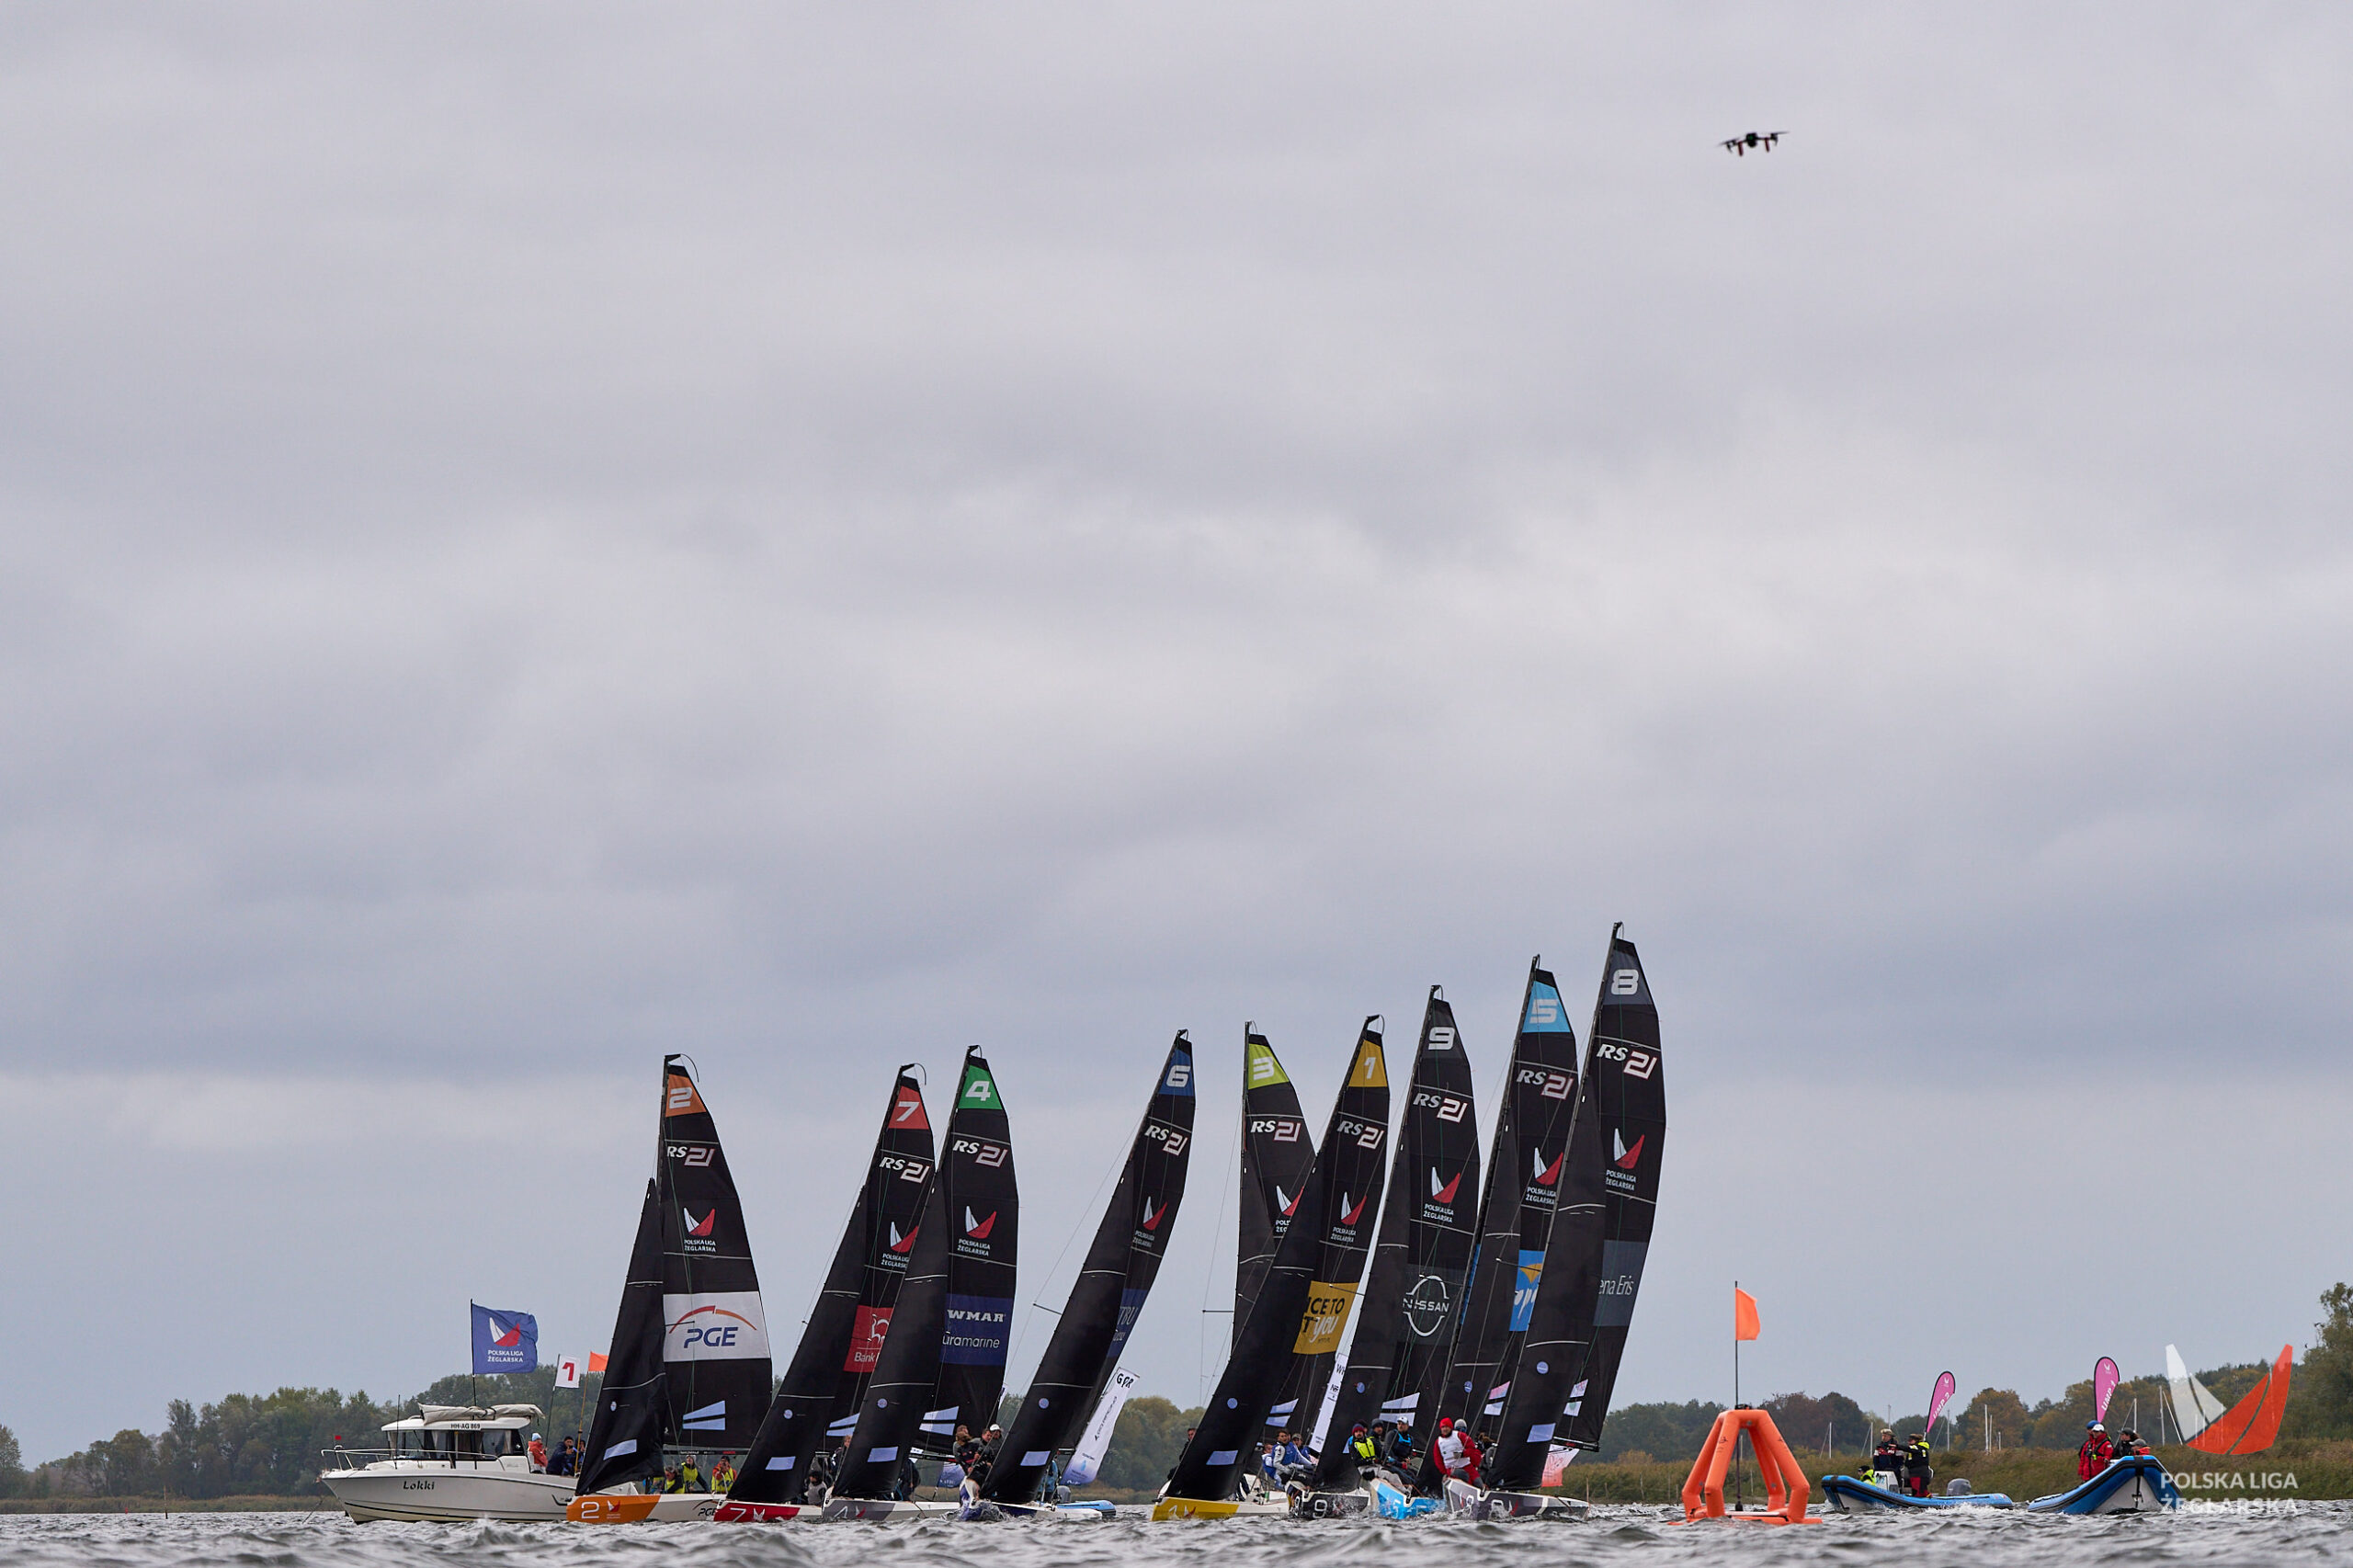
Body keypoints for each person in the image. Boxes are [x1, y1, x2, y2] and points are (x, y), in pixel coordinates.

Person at [1904, 1432, 1933, 1497]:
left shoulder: (1919, 1449)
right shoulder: (1911, 1451)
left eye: (1910, 1441)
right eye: (1908, 1441)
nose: (1909, 1442)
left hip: (1920, 1474)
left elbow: (1919, 1462)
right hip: (1913, 1474)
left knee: (1920, 1491)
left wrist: (1897, 1446)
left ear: (1916, 1441)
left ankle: (1926, 1498)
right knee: (1916, 1491)